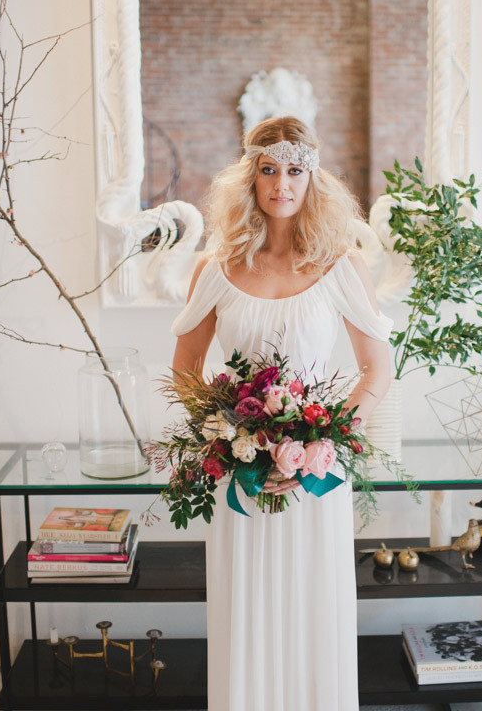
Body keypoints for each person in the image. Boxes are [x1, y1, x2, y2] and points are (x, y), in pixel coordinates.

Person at [171, 116, 393, 711]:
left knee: (311, 613)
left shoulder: (341, 265)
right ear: (250, 177)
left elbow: (377, 370)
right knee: (246, 614)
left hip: (315, 479)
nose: (282, 184)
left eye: (295, 170)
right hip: (239, 478)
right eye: (269, 170)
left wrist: (326, 444)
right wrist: (225, 436)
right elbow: (186, 368)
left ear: (313, 176)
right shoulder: (215, 268)